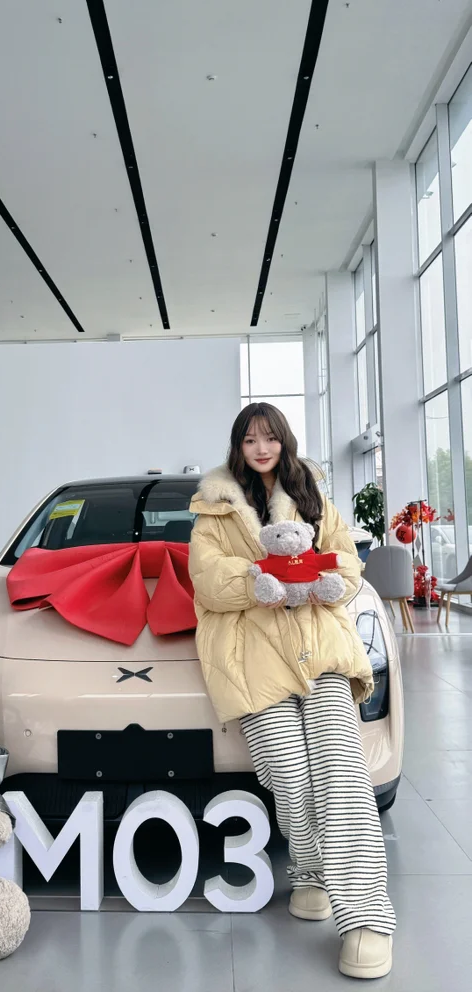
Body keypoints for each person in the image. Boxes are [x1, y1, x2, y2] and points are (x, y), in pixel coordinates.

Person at [189, 402, 395, 980]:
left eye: (270, 437)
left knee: (342, 773)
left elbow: (347, 562)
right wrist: (259, 580)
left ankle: (366, 917)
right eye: (251, 439)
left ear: (284, 440)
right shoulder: (213, 508)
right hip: (252, 656)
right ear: (238, 446)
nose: (262, 448)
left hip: (319, 648)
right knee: (288, 771)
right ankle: (309, 871)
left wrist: (323, 580)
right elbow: (205, 579)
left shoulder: (311, 495)